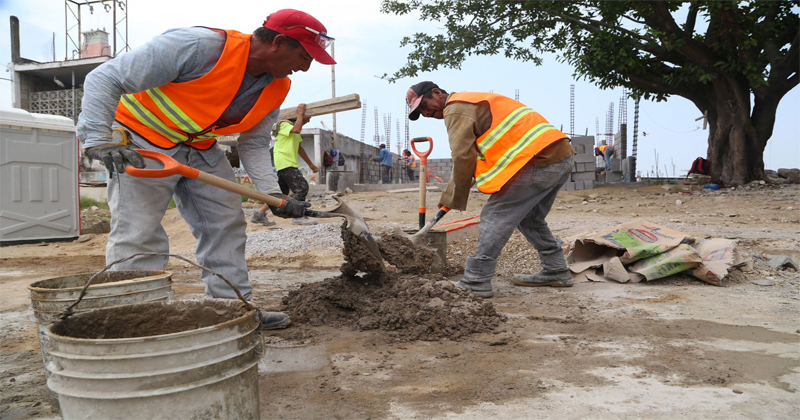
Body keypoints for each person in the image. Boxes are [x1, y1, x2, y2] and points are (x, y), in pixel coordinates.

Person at [76, 9, 336, 329]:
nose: (306, 67)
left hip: (199, 147)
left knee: (226, 225)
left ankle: (232, 311)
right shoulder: (198, 46)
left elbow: (254, 143)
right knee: (138, 232)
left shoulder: (277, 87)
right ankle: (134, 319)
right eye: (304, 56)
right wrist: (98, 139)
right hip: (142, 141)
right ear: (279, 42)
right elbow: (104, 77)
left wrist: (271, 194)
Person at [406, 81, 576, 298]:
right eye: (420, 112)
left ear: (437, 93)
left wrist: (453, 196)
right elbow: (476, 155)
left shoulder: (456, 108)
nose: (425, 113)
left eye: (424, 106)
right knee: (530, 218)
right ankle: (556, 269)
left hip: (539, 159)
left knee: (495, 216)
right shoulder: (473, 102)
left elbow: (462, 156)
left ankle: (476, 280)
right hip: (559, 156)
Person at [251, 103, 319, 226]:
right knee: (302, 187)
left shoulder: (294, 130)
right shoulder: (284, 124)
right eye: (307, 117)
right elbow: (296, 129)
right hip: (285, 161)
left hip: (285, 162)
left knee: (281, 193)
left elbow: (299, 148)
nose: (308, 120)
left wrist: (311, 165)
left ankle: (259, 214)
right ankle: (298, 217)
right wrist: (300, 112)